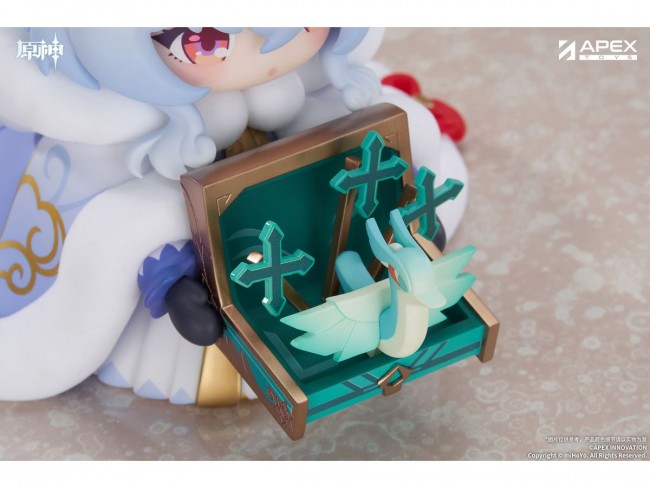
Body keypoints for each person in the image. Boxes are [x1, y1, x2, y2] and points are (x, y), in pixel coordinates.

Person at [0, 27, 467, 405]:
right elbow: (128, 234)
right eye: (204, 42)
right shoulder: (118, 142)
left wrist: (407, 218)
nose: (261, 50)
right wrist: (173, 287)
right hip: (206, 299)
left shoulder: (313, 95)